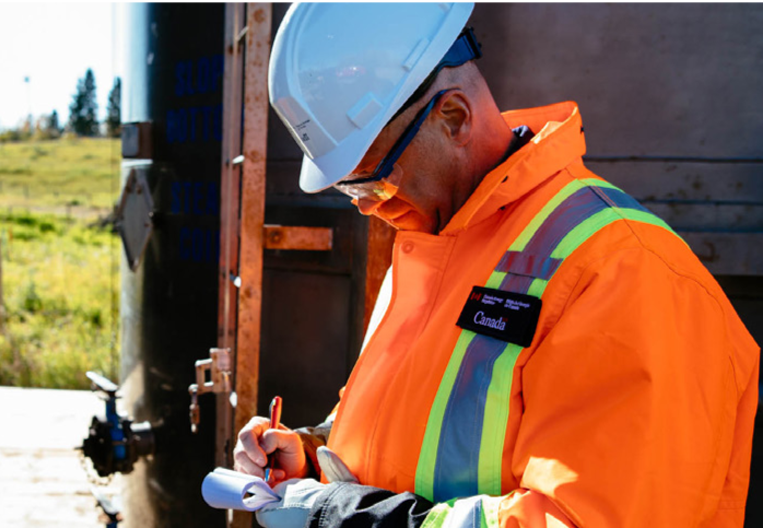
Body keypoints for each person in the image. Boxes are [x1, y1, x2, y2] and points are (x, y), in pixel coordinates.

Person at [234, 3, 759, 527]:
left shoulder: (626, 271)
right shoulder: (434, 240)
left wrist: (358, 518)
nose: (370, 206)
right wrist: (317, 455)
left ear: (454, 118)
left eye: (373, 178)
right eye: (352, 190)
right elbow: (433, 442)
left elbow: (585, 518)